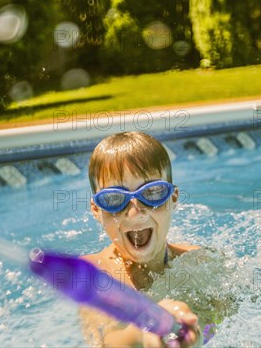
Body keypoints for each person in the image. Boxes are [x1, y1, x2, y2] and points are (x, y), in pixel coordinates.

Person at [80, 131, 202, 347]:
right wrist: (140, 334)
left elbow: (221, 315)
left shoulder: (201, 263)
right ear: (96, 210)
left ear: (173, 198)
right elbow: (103, 340)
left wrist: (196, 328)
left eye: (153, 193)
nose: (136, 212)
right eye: (114, 199)